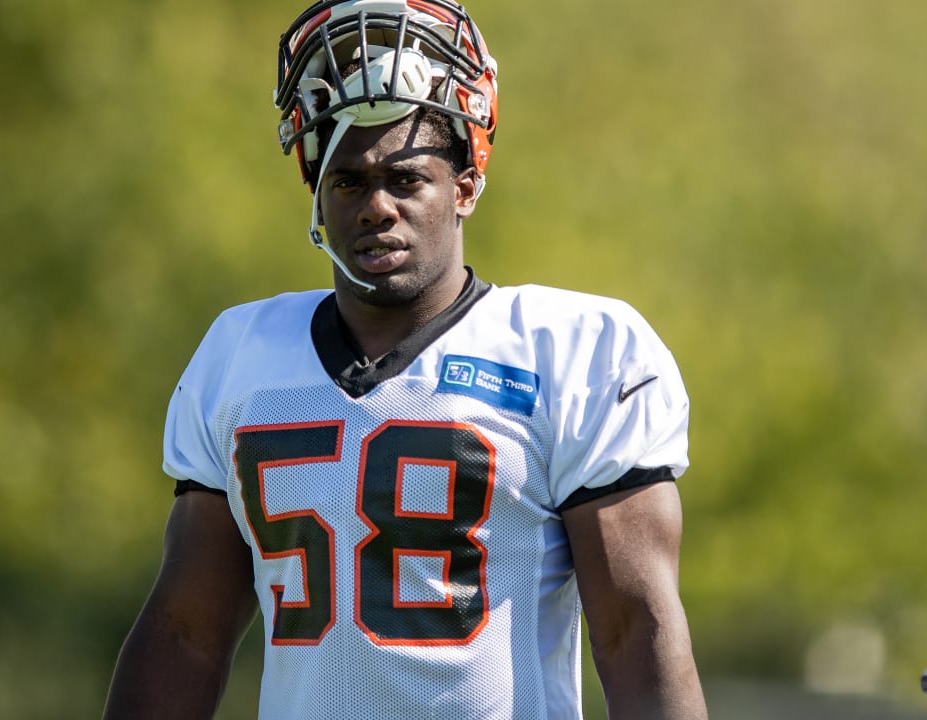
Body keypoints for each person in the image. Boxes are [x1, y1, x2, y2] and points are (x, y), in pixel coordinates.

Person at [103, 1, 707, 718]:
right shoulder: (243, 356)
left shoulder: (573, 350)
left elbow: (632, 627)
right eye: (349, 182)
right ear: (316, 194)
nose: (376, 207)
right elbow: (186, 633)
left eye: (407, 178)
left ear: (466, 185)